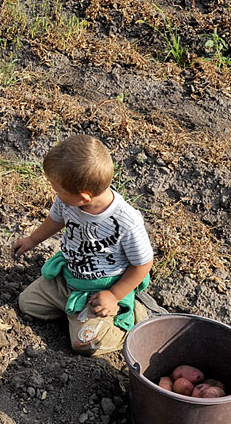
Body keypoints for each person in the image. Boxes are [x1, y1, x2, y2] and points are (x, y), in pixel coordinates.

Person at [12, 135, 154, 355]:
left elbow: (143, 264)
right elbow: (55, 220)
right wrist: (32, 239)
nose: (55, 193)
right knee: (27, 304)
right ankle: (74, 314)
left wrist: (114, 295)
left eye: (57, 189)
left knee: (86, 345)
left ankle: (131, 315)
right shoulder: (67, 202)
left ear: (84, 197)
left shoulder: (127, 222)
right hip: (69, 278)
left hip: (101, 290)